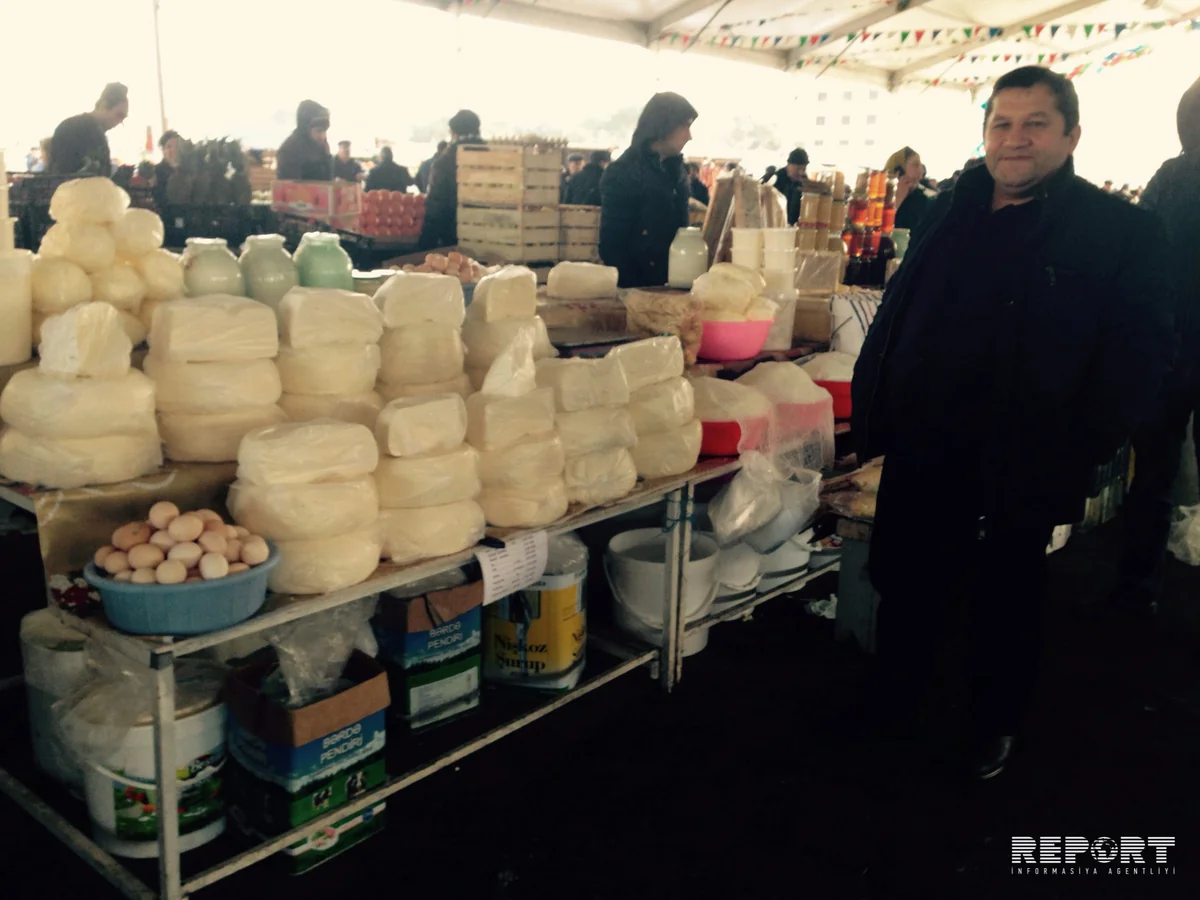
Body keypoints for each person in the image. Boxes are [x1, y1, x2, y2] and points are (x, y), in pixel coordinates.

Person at [851, 66, 1174, 781]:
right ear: (985, 133)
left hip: (1024, 454)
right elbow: (903, 307)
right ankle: (896, 703)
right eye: (1002, 123)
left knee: (1005, 594)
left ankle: (991, 723)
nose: (1015, 138)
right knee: (904, 578)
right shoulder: (948, 208)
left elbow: (1143, 352)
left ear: (1071, 136)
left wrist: (1081, 442)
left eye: (1035, 124)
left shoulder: (1119, 230)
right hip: (923, 441)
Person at [1115, 77, 1200, 616]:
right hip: (1175, 345)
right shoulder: (1174, 175)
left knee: (1153, 475)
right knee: (1154, 474)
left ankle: (1136, 590)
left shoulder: (1172, 176)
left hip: (1171, 347)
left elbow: (1141, 252)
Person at [599, 92, 697, 288]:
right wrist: (638, 292)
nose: (689, 136)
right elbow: (613, 244)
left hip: (674, 284)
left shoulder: (676, 169)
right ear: (665, 124)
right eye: (685, 126)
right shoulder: (623, 171)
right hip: (637, 288)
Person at [419, 109, 484, 251]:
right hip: (493, 238)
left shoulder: (445, 162)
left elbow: (436, 206)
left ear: (453, 133)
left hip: (455, 238)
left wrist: (425, 245)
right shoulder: (496, 159)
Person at [48, 82, 129, 176]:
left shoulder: (76, 126)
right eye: (119, 115)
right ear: (104, 105)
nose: (120, 122)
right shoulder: (86, 130)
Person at [276, 100, 332, 181]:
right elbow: (291, 186)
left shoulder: (322, 146)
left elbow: (328, 181)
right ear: (305, 129)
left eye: (325, 131)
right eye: (319, 131)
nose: (323, 136)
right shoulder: (289, 151)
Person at [885, 146, 931, 231]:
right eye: (915, 165)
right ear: (899, 170)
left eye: (920, 166)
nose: (920, 170)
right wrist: (898, 198)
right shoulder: (881, 194)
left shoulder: (921, 198)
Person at [772, 148, 809, 225]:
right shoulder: (776, 178)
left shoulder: (803, 181)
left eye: (803, 169)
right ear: (789, 165)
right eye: (798, 169)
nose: (801, 172)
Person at [154, 130, 182, 209]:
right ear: (163, 150)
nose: (174, 150)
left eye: (177, 146)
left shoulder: (188, 171)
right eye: (169, 147)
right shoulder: (156, 171)